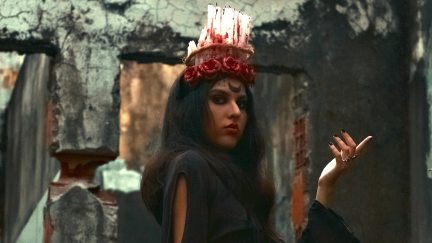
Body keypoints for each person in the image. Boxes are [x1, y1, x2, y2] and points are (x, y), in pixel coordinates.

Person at [141, 5, 372, 243]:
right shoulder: (191, 166)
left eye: (241, 103)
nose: (235, 112)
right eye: (219, 99)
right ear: (192, 109)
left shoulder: (241, 184)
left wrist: (325, 186)